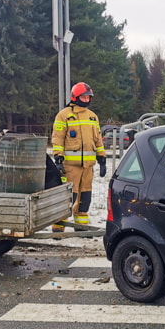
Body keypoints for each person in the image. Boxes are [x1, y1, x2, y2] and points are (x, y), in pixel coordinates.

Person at [51, 82, 107, 232]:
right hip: (70, 166)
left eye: (89, 97)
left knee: (85, 196)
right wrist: (58, 158)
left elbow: (98, 140)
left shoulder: (92, 117)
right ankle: (58, 226)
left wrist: (102, 159)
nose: (87, 99)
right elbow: (57, 138)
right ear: (75, 97)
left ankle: (81, 226)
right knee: (69, 196)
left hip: (88, 166)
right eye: (84, 96)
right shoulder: (64, 115)